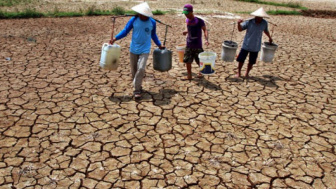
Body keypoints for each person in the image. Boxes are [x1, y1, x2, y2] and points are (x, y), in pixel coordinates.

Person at [109, 2, 164, 99]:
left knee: (141, 68)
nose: (141, 15)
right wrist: (115, 38)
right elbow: (125, 31)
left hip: (145, 49)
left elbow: (153, 35)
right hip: (134, 48)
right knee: (134, 70)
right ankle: (138, 85)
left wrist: (159, 44)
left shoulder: (152, 22)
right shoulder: (134, 20)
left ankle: (136, 90)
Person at [236, 7, 273, 78]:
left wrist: (270, 37)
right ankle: (239, 72)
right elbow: (240, 29)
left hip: (256, 46)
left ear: (262, 17)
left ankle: (247, 73)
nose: (259, 18)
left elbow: (266, 30)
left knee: (251, 62)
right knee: (241, 59)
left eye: (260, 17)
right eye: (257, 16)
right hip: (246, 44)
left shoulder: (264, 23)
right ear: (255, 16)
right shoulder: (249, 22)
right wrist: (238, 24)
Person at [182, 4, 209, 80]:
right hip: (189, 44)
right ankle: (189, 75)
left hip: (197, 45)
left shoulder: (199, 20)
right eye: (184, 13)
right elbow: (189, 29)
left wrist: (206, 39)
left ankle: (201, 72)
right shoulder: (187, 20)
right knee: (188, 61)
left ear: (191, 12)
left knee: (200, 60)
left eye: (187, 13)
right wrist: (186, 32)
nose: (186, 15)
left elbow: (205, 30)